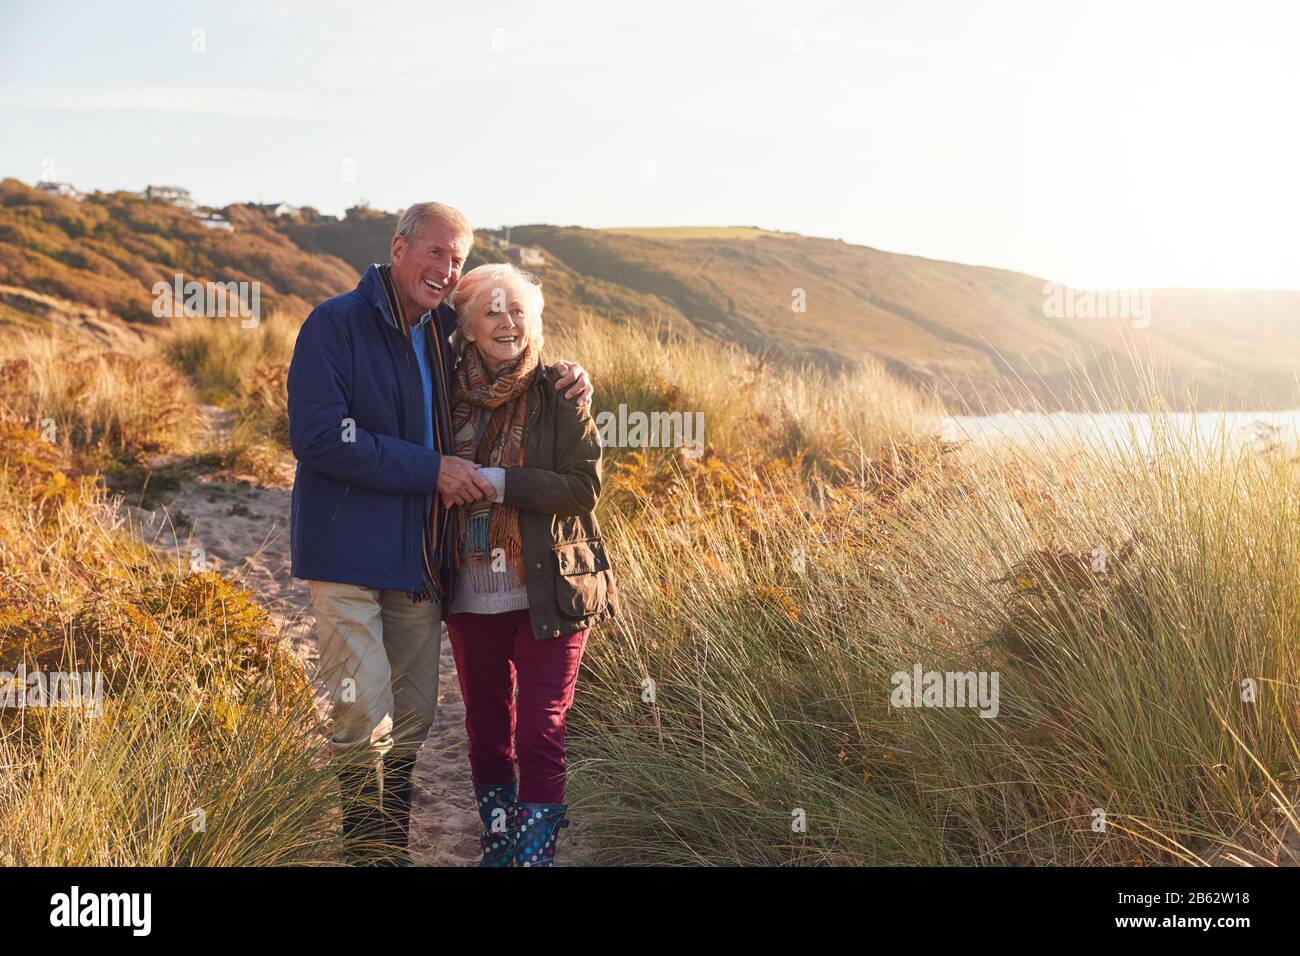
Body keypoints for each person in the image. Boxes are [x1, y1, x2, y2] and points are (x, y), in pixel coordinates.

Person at [286, 203, 593, 865]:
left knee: (415, 717)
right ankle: (372, 854)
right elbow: (316, 439)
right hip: (346, 550)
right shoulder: (333, 324)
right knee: (362, 715)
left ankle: (403, 845)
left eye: (457, 259)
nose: (447, 270)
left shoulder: (441, 335)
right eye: (436, 253)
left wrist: (570, 374)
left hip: (425, 559)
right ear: (399, 249)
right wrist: (433, 469)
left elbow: (508, 330)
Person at [444, 262, 617, 867]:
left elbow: (583, 488)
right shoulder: (439, 391)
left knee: (541, 732)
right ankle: (499, 848)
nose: (506, 322)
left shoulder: (560, 390)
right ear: (465, 326)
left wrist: (499, 483)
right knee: (489, 734)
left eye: (517, 310)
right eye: (491, 310)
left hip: (552, 590)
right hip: (470, 593)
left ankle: (533, 859)